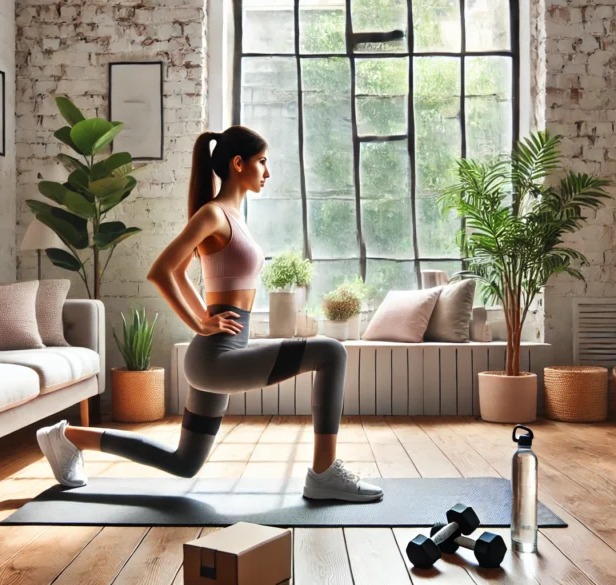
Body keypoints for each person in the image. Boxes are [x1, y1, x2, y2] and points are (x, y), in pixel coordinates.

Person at [36, 126, 383, 502]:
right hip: (217, 357)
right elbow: (162, 270)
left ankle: (67, 436)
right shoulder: (213, 215)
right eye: (262, 162)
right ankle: (324, 473)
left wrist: (203, 318)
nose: (267, 172)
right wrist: (199, 321)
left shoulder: (232, 217)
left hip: (221, 354)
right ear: (238, 164)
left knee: (184, 463)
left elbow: (182, 272)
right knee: (331, 352)